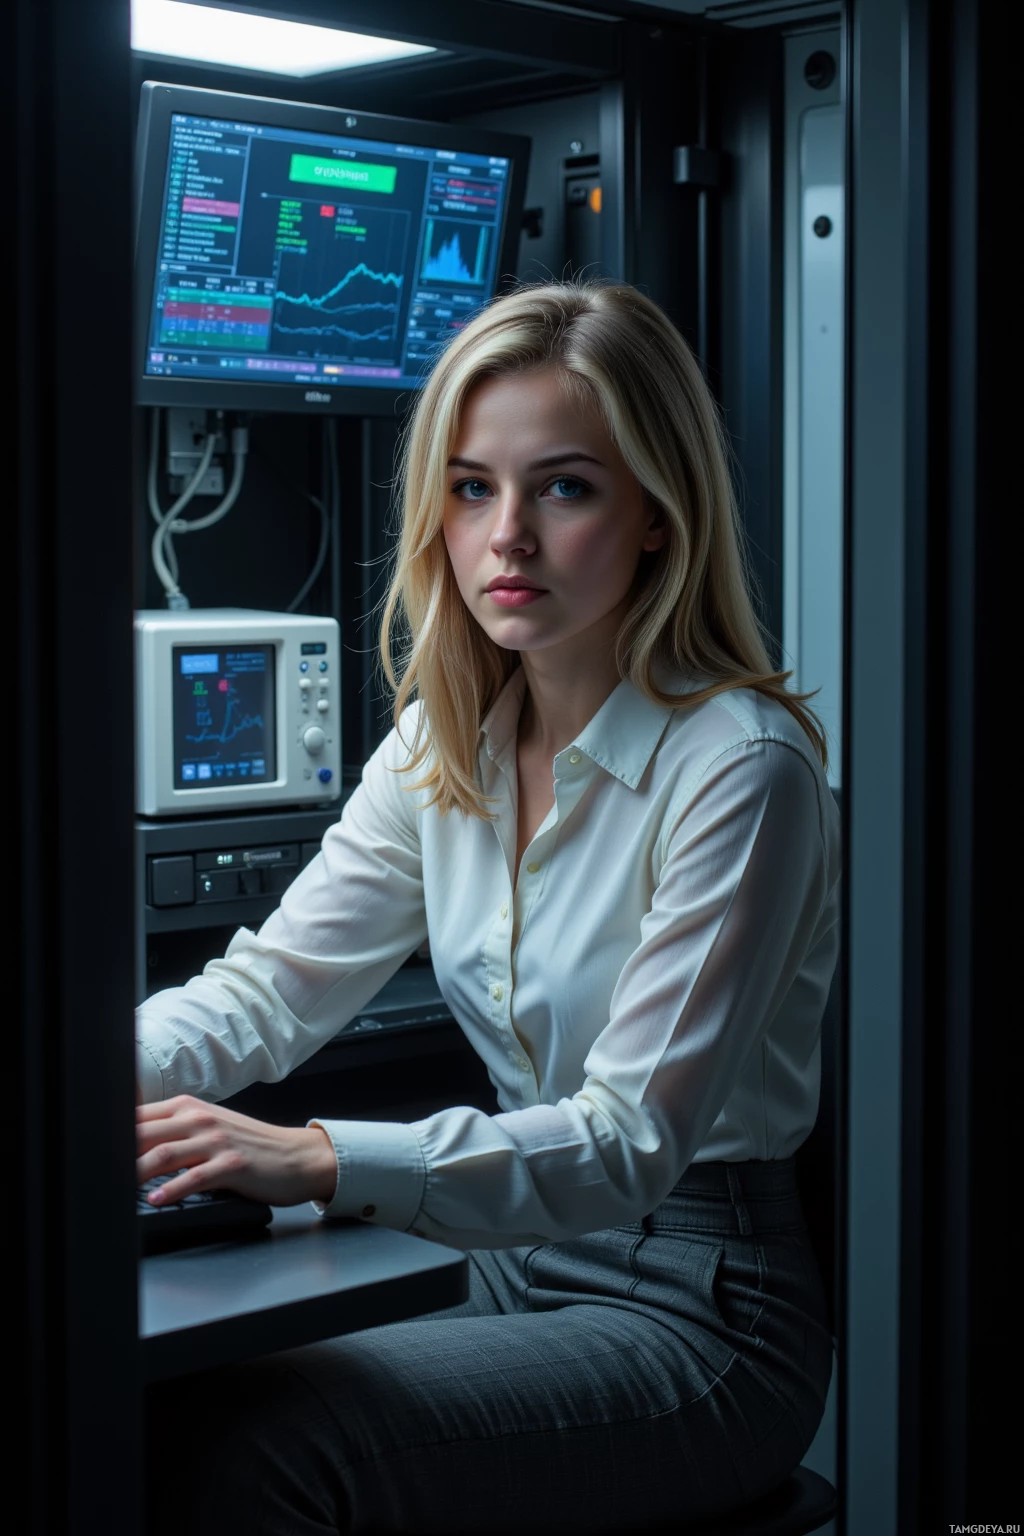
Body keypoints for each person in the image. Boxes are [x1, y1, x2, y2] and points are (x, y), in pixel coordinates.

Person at [138, 279, 839, 1535]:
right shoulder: (441, 743)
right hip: (504, 1261)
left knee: (258, 1454)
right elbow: (264, 996)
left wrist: (316, 1157)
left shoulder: (741, 769)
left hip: (696, 1309)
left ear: (657, 521)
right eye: (472, 488)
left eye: (563, 487)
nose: (505, 535)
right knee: (134, 1397)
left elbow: (629, 1142)